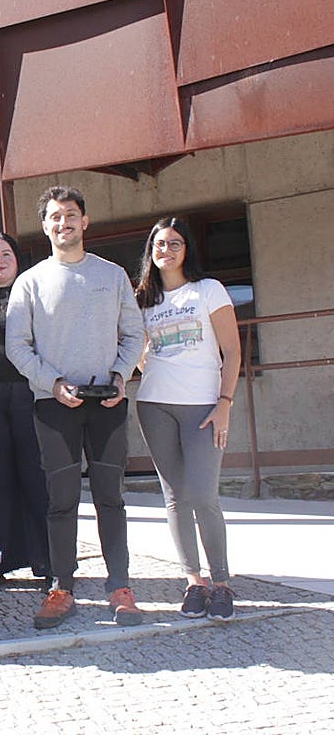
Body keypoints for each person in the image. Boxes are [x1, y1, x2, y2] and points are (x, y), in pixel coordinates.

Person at [6, 186, 145, 629]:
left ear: (84, 221)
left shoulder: (112, 275)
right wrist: (52, 382)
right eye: (54, 216)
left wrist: (121, 375)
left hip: (107, 401)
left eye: (70, 214)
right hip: (54, 404)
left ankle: (119, 586)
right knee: (61, 502)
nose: (63, 222)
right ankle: (61, 587)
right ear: (44, 226)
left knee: (111, 498)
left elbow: (133, 333)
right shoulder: (30, 282)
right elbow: (17, 346)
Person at [134, 218, 241, 621]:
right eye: (159, 244)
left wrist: (225, 402)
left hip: (204, 407)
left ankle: (222, 582)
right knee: (175, 497)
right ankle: (194, 581)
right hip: (154, 405)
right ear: (151, 252)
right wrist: (146, 363)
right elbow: (135, 349)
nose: (166, 250)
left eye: (174, 243)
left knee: (203, 495)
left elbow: (232, 351)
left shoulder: (208, 290)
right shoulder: (143, 299)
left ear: (186, 249)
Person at [0, 232, 51, 594]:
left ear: (18, 261)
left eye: (6, 254)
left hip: (29, 392)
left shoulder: (33, 296)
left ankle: (48, 559)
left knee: (36, 475)